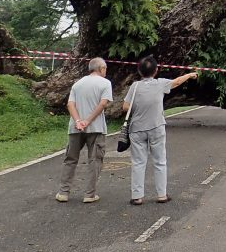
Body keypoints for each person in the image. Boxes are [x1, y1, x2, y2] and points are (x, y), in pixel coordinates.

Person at [123, 55, 198, 205]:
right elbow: (176, 82)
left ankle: (137, 196)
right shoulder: (160, 84)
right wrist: (190, 75)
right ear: (156, 71)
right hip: (157, 127)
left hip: (137, 129)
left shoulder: (134, 86)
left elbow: (125, 107)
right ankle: (162, 195)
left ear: (139, 71)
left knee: (138, 162)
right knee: (160, 161)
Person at [55, 57, 113, 203]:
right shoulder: (105, 83)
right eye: (105, 68)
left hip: (75, 128)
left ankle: (63, 192)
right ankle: (89, 194)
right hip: (96, 128)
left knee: (70, 159)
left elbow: (70, 105)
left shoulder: (77, 84)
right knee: (95, 160)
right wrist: (88, 121)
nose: (106, 70)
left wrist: (78, 121)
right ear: (101, 68)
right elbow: (103, 104)